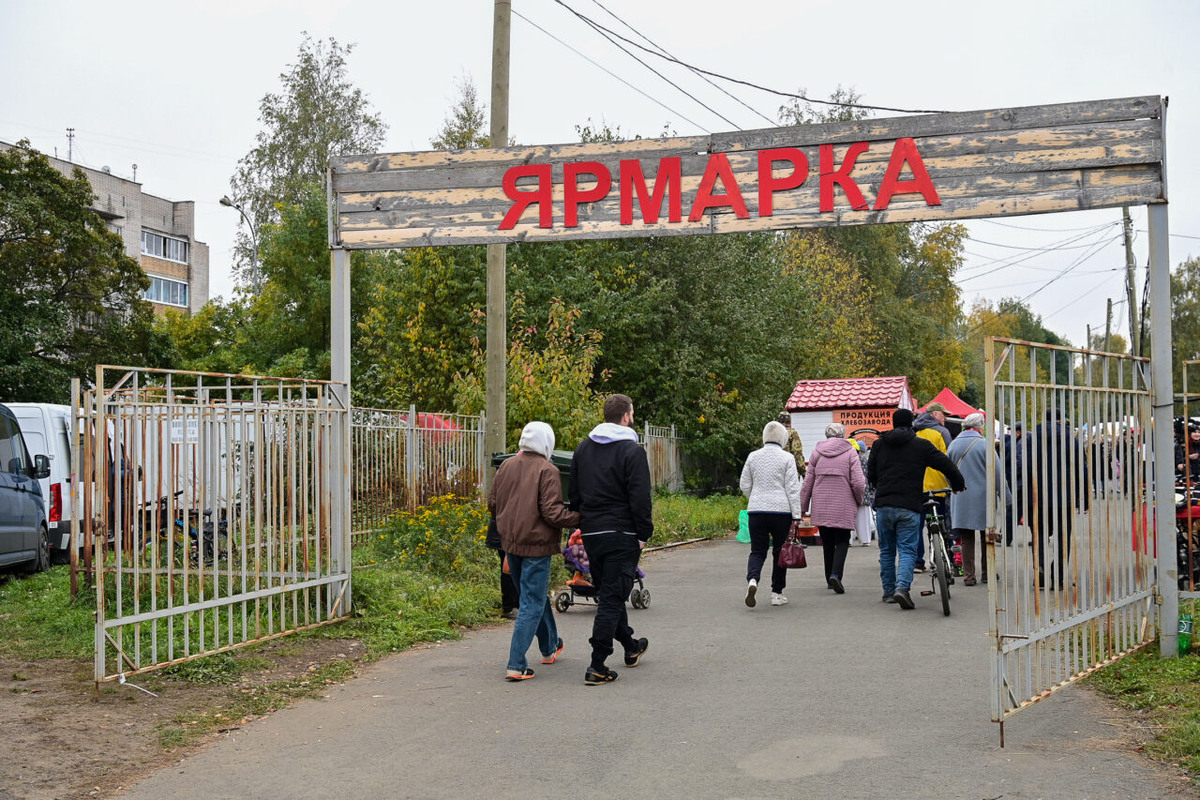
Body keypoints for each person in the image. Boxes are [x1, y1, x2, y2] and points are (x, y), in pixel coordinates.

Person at [569, 394, 653, 686]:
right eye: (632, 413)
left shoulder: (583, 448)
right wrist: (643, 534)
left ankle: (630, 647)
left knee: (610, 592)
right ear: (626, 417)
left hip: (592, 532)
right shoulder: (632, 451)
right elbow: (640, 497)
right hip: (622, 533)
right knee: (611, 598)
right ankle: (597, 664)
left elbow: (575, 495)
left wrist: (583, 521)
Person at [488, 421, 580, 681]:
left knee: (534, 597)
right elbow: (552, 513)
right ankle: (516, 664)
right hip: (537, 546)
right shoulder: (547, 470)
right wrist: (579, 518)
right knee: (531, 601)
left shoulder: (505, 465)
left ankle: (550, 646)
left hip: (510, 542)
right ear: (546, 442)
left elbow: (492, 504)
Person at [867, 408, 965, 609]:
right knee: (907, 549)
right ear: (911, 423)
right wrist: (957, 483)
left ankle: (888, 592)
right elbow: (946, 464)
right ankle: (902, 589)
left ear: (893, 423)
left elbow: (871, 474)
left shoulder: (879, 445)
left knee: (886, 550)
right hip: (909, 505)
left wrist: (882, 486)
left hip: (884, 504)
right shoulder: (920, 445)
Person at [740, 419, 805, 608]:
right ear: (783, 438)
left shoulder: (753, 456)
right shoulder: (787, 458)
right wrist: (797, 515)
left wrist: (755, 496)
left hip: (757, 510)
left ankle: (753, 580)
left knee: (757, 550)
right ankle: (777, 593)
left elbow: (744, 484)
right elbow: (792, 489)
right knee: (780, 552)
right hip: (781, 512)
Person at [1024, 405, 1088, 589]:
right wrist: (1083, 497)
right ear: (1061, 419)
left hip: (1038, 496)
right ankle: (1058, 577)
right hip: (1064, 497)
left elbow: (1026, 466)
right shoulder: (1071, 438)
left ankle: (1041, 569)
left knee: (1040, 535)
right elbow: (1081, 468)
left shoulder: (1032, 437)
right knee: (1062, 537)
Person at [800, 423, 865, 594]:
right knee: (842, 541)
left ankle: (829, 578)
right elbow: (858, 482)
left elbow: (808, 484)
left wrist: (803, 508)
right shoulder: (851, 452)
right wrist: (859, 500)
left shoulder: (816, 453)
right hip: (843, 504)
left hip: (821, 504)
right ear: (843, 435)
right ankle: (836, 575)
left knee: (827, 543)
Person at [947, 413, 1011, 586]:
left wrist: (952, 488)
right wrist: (1006, 498)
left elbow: (947, 470)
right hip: (984, 498)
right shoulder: (985, 445)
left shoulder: (953, 445)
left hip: (960, 497)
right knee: (987, 536)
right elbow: (998, 473)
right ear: (979, 427)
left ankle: (969, 576)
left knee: (966, 538)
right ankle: (987, 573)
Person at [913, 401, 953, 572]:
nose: (945, 418)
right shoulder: (942, 432)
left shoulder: (915, 432)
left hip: (918, 486)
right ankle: (946, 558)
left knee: (917, 525)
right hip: (938, 486)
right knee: (941, 522)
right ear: (935, 414)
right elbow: (947, 459)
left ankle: (918, 562)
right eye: (943, 414)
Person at [484, 515, 520, 619]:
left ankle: (516, 605)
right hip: (507, 529)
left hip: (509, 528)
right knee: (509, 569)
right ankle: (510, 606)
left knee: (513, 568)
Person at [1002, 421, 1024, 546]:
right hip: (1019, 482)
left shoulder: (1019, 444)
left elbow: (1018, 464)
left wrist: (1011, 476)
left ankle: (1006, 537)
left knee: (1013, 510)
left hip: (1018, 483)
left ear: (1018, 432)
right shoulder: (1020, 442)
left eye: (1012, 431)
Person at [851, 438, 875, 545]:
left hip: (849, 494)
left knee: (849, 519)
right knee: (864, 518)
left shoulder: (846, 459)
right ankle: (865, 540)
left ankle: (848, 540)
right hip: (864, 492)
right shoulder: (864, 460)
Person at [778, 411, 807, 478]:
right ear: (790, 421)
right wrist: (803, 472)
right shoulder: (792, 433)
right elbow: (797, 453)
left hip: (775, 471)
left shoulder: (773, 433)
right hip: (790, 471)